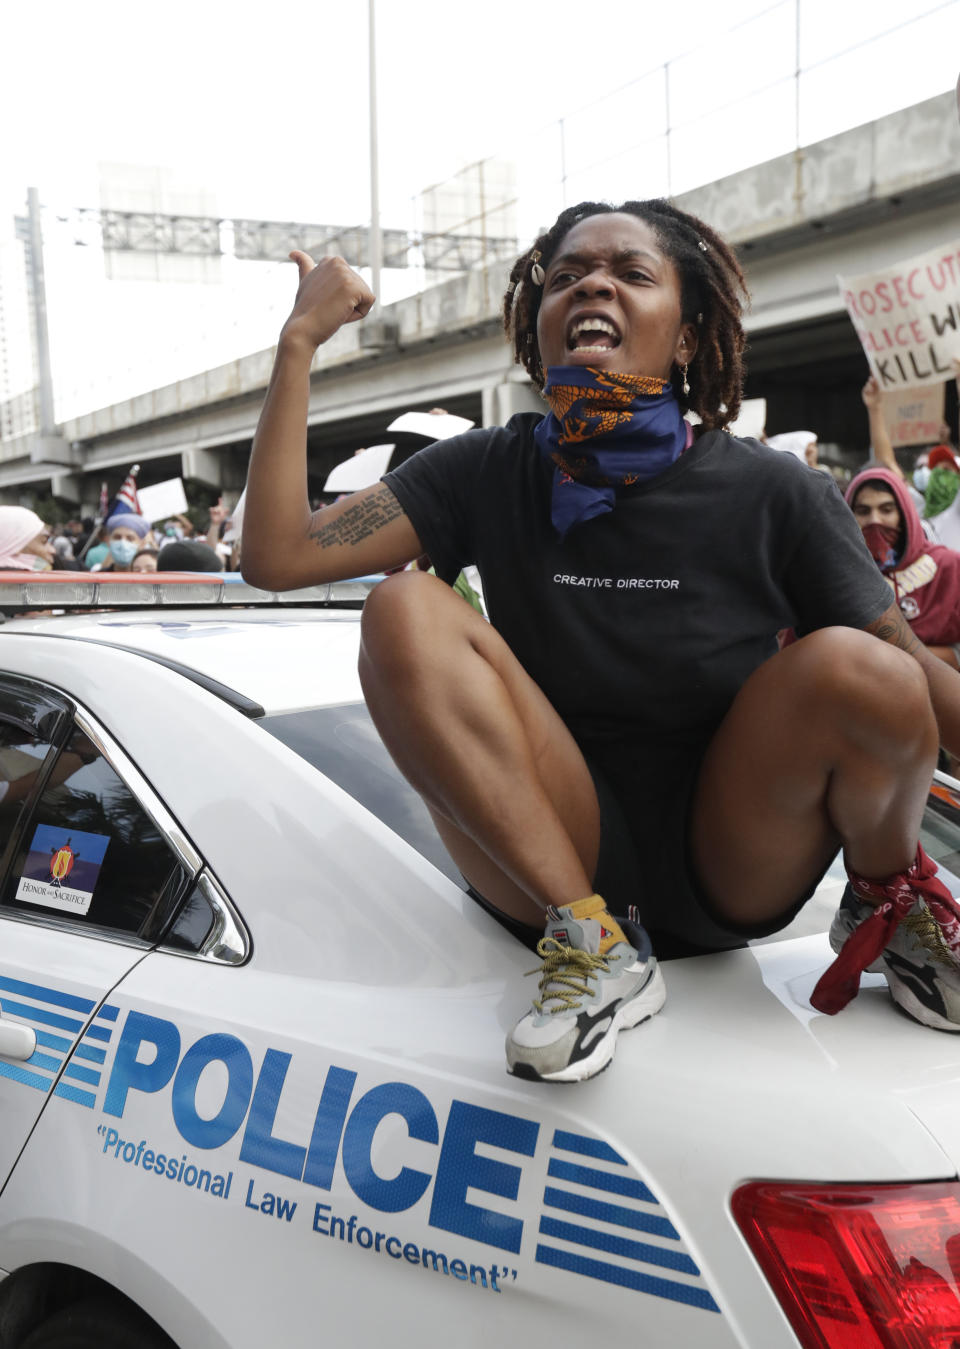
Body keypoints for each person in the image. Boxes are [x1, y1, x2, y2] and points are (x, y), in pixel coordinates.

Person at [243, 198, 960, 1084]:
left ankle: (890, 907)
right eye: (569, 273)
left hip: (735, 859)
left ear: (689, 339)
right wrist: (297, 347)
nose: (593, 284)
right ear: (540, 318)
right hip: (553, 864)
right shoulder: (486, 468)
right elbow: (275, 555)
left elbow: (917, 683)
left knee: (871, 671)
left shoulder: (777, 494)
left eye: (630, 272)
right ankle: (593, 952)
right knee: (402, 609)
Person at [846, 467, 960, 669]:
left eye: (887, 510)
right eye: (863, 511)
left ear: (905, 513)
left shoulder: (948, 566)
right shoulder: (839, 575)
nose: (875, 520)